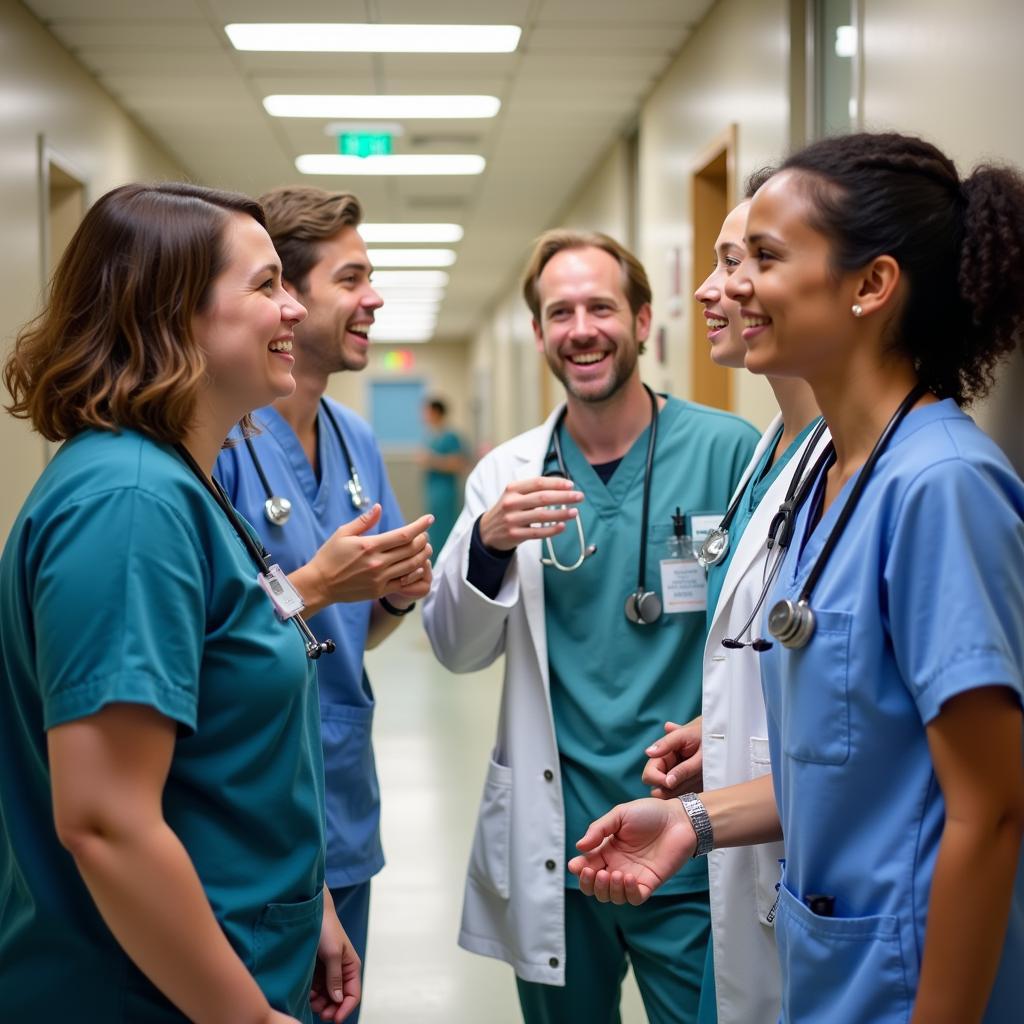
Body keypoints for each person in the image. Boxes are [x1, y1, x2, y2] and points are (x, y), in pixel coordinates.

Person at [569, 132, 1024, 1023]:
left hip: (911, 978)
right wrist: (694, 823)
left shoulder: (941, 487)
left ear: (870, 285)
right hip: (827, 957)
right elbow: (853, 762)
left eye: (764, 258)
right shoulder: (825, 482)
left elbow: (992, 811)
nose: (729, 284)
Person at [0, 182, 360, 1022]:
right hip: (143, 994)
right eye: (267, 285)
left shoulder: (178, 482)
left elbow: (216, 754)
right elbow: (106, 821)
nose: (294, 312)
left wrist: (311, 905)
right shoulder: (128, 503)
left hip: (223, 955)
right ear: (173, 315)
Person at [424, 229, 760, 1023]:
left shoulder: (729, 451)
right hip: (560, 841)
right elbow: (456, 648)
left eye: (601, 307)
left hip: (687, 834)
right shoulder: (507, 476)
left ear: (643, 320)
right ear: (539, 333)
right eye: (560, 311)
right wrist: (489, 542)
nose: (581, 328)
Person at [215, 185, 433, 1021]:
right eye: (353, 278)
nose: (374, 297)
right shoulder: (222, 441)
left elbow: (352, 635)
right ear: (287, 298)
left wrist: (396, 598)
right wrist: (315, 584)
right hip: (255, 807)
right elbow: (210, 635)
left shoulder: (356, 439)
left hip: (339, 803)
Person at [642, 174, 825, 1024]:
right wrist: (717, 736)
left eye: (746, 258)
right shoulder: (769, 452)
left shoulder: (867, 468)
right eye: (719, 261)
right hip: (750, 830)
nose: (716, 289)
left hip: (810, 867)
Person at [419, 396, 468, 550]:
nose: (423, 416)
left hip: (446, 492)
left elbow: (458, 464)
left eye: (426, 412)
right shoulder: (432, 436)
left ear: (436, 412)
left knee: (445, 529)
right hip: (433, 490)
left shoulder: (450, 436)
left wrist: (432, 460)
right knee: (433, 528)